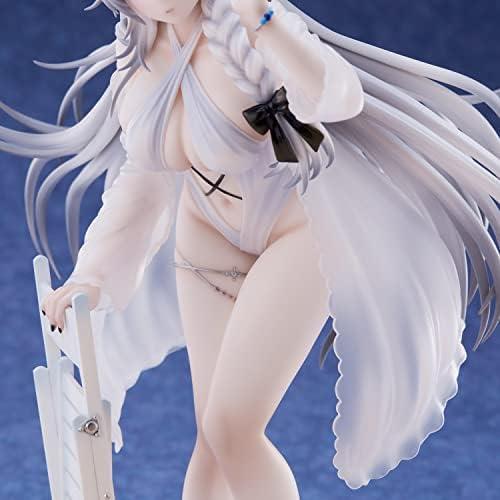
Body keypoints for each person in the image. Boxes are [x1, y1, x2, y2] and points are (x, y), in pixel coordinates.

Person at [0, 0, 498, 497]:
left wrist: (264, 21)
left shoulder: (248, 27)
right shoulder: (136, 58)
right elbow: (144, 184)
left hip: (293, 231)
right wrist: (93, 275)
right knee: (211, 437)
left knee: (232, 429)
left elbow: (338, 98)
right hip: (206, 235)